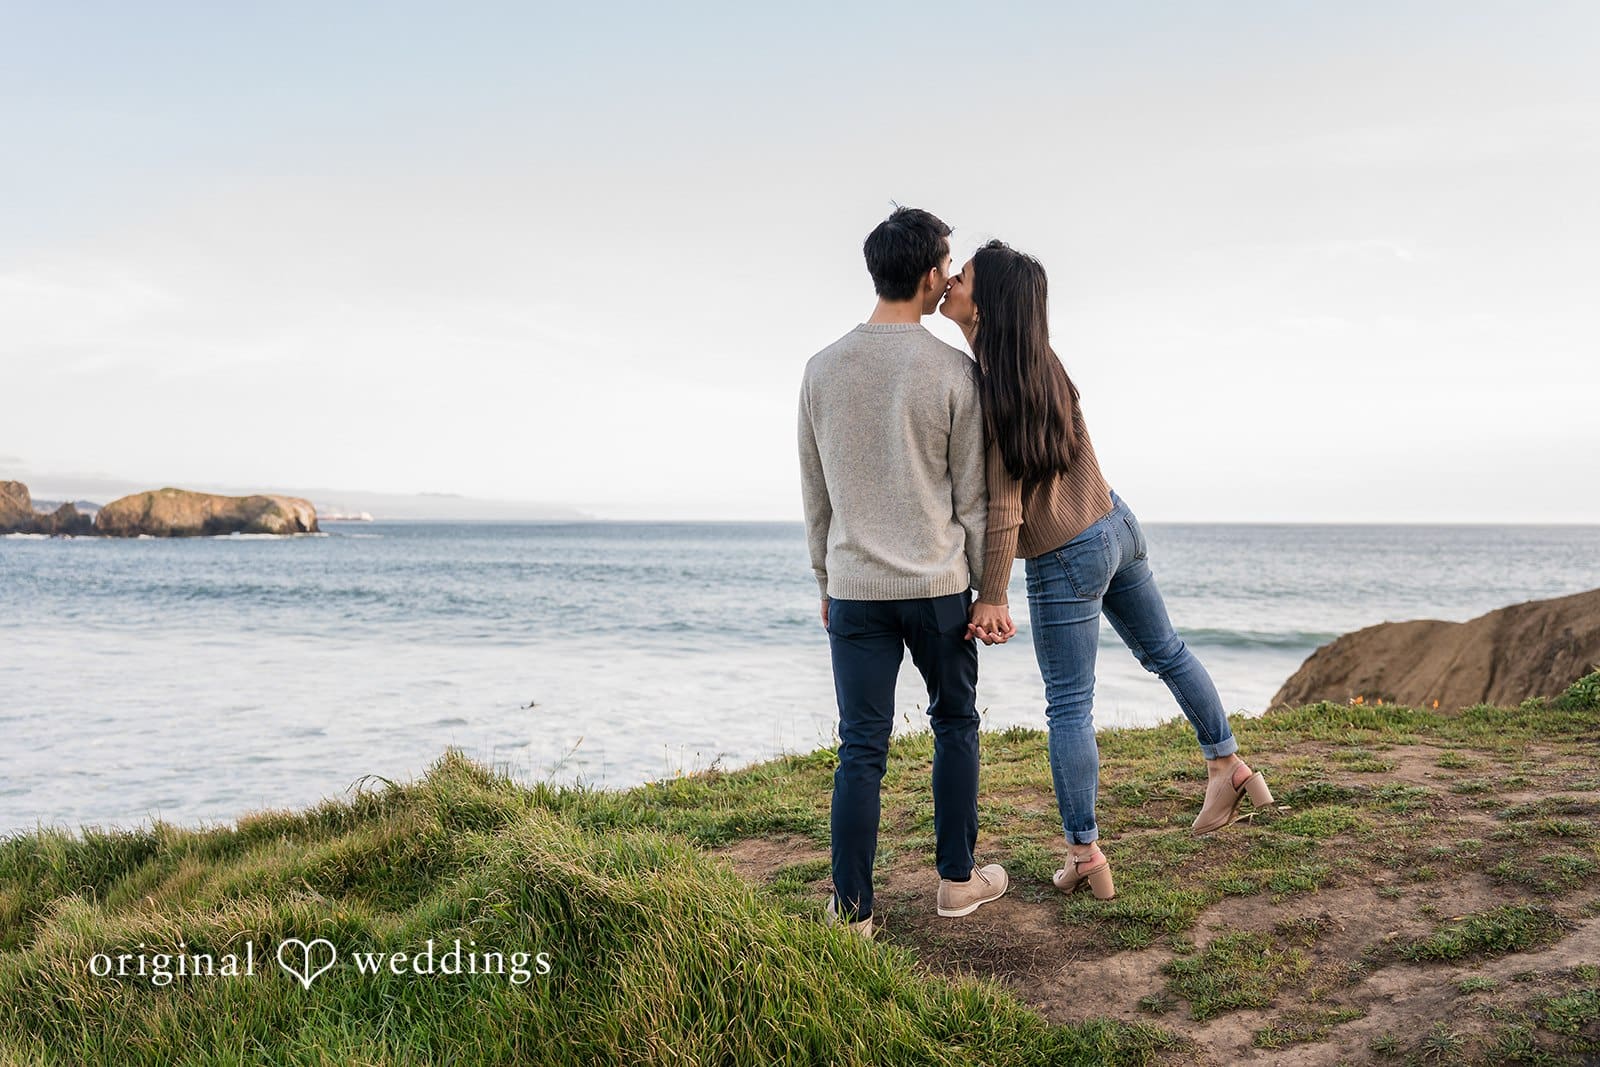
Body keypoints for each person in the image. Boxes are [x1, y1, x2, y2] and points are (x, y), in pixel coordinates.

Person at [938, 239, 1273, 902]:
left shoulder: (994, 384)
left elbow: (1005, 507)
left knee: (1069, 704)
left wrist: (992, 593)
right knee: (1167, 652)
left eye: (964, 276)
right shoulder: (1039, 362)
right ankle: (1228, 763)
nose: (950, 280)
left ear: (989, 301)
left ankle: (1085, 852)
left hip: (1066, 553)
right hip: (1117, 524)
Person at [798, 207, 1009, 938]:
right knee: (955, 724)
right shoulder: (954, 370)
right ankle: (956, 882)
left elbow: (814, 494)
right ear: (926, 275)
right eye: (945, 266)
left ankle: (852, 910)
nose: (949, 277)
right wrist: (989, 590)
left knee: (862, 744)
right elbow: (974, 499)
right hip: (939, 589)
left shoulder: (820, 370)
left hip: (855, 589)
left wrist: (826, 580)